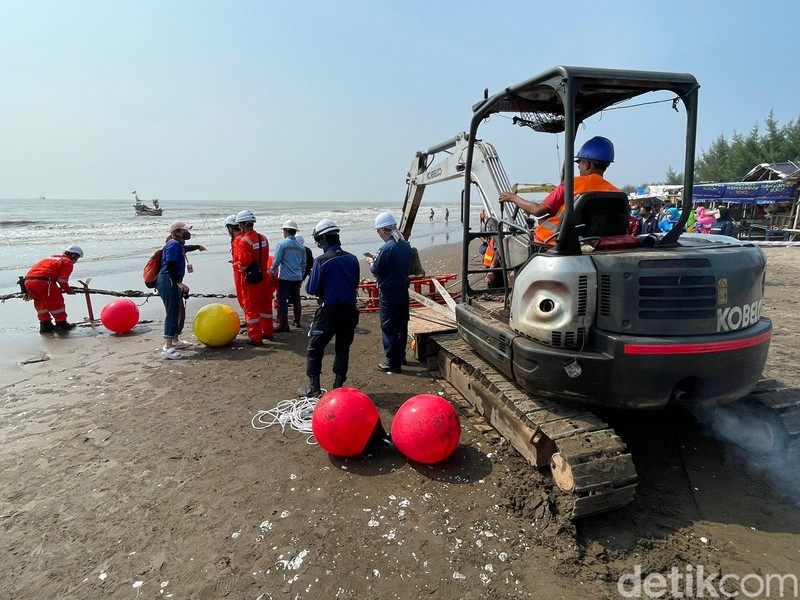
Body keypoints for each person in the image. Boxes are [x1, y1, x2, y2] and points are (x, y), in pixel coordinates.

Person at [499, 136, 619, 245]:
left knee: (506, 244)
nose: (579, 168)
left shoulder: (571, 184)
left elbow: (538, 210)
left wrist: (513, 198)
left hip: (553, 241)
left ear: (586, 164)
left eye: (580, 164)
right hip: (591, 242)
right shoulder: (616, 193)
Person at [297, 219, 360, 397]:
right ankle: (338, 386)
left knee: (315, 348)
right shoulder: (352, 258)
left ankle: (314, 388)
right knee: (343, 348)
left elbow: (311, 289)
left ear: (323, 239)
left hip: (329, 312)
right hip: (349, 310)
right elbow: (354, 283)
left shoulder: (321, 261)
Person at [367, 212, 413, 374]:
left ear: (382, 230)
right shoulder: (404, 245)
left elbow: (376, 269)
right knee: (401, 324)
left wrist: (371, 261)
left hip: (389, 292)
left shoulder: (387, 248)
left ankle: (393, 361)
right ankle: (400, 355)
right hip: (402, 289)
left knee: (388, 326)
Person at [232, 210, 274, 345]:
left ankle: (255, 337)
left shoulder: (244, 242)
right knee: (266, 306)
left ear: (243, 225)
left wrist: (236, 264)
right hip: (264, 276)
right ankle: (268, 332)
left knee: (252, 308)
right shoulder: (263, 238)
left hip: (252, 281)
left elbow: (244, 264)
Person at [156, 222, 196, 359]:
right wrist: (178, 283)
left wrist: (197, 247)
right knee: (172, 312)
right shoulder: (173, 244)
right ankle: (167, 347)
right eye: (185, 231)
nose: (187, 233)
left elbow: (186, 248)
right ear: (177, 232)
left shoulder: (178, 244)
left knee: (178, 310)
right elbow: (170, 264)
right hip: (168, 280)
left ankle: (175, 340)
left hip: (172, 280)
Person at [24, 245, 83, 333]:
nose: (76, 260)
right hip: (44, 282)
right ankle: (61, 324)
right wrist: (68, 290)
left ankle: (45, 325)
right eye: (77, 258)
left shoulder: (52, 257)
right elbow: (62, 280)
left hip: (28, 281)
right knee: (56, 302)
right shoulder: (67, 262)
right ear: (74, 255)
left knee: (40, 303)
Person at [270, 219, 307, 331]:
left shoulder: (282, 244)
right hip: (297, 277)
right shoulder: (301, 247)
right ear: (295, 232)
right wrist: (301, 276)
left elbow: (276, 261)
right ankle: (297, 321)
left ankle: (284, 324)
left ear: (285, 231)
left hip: (285, 277)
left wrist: (272, 272)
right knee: (296, 300)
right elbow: (303, 264)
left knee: (282, 301)